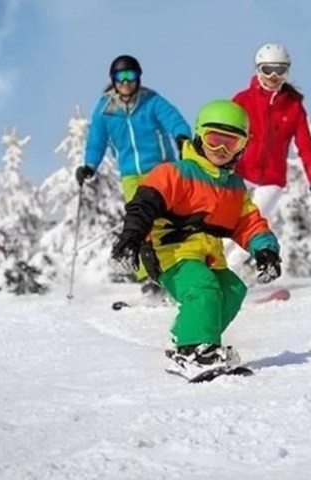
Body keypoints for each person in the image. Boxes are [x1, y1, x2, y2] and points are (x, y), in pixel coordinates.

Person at [109, 99, 281, 378]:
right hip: (169, 253)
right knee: (203, 288)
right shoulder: (175, 173)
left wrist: (266, 250)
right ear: (200, 136)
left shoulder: (234, 187)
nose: (222, 150)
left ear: (243, 146)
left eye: (232, 143)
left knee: (233, 289)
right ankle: (192, 350)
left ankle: (187, 340)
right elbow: (143, 205)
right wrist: (130, 240)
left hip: (208, 257)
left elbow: (248, 221)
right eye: (214, 140)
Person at [76, 54, 192, 295]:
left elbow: (174, 119)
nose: (126, 81)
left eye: (131, 76)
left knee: (169, 220)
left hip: (161, 169)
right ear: (113, 80)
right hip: (131, 175)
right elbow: (96, 141)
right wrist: (89, 166)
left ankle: (181, 266)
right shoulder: (104, 110)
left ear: (139, 78)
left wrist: (182, 137)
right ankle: (149, 278)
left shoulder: (151, 101)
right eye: (121, 77)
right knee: (139, 223)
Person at [226, 43, 311, 272]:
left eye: (280, 70)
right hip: (241, 171)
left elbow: (306, 147)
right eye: (268, 69)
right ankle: (203, 271)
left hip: (271, 178)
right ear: (257, 70)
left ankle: (226, 273)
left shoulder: (292, 106)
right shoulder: (242, 100)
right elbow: (224, 133)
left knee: (252, 227)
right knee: (225, 223)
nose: (273, 76)